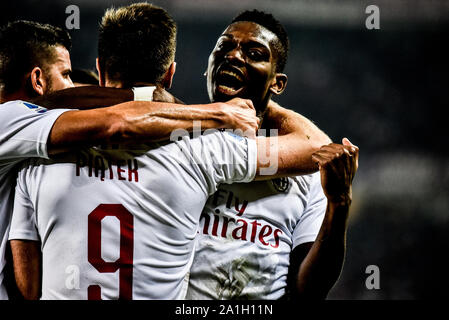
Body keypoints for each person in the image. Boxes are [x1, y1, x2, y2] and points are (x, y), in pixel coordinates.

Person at [7, 3, 338, 300]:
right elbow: (316, 150)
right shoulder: (206, 147)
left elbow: (27, 287)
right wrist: (253, 109)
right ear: (169, 74)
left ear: (99, 68)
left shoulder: (39, 150)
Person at [185, 10, 359, 300]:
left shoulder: (308, 170)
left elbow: (309, 291)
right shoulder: (180, 144)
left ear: (277, 84)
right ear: (208, 65)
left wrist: (339, 203)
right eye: (224, 46)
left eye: (254, 53)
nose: (234, 56)